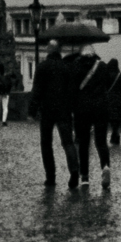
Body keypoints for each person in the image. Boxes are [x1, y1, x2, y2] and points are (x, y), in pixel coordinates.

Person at [31, 42, 82, 188]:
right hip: (63, 110)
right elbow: (72, 90)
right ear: (59, 51)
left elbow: (37, 91)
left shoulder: (42, 67)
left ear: (48, 50)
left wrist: (32, 111)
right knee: (68, 142)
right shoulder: (67, 67)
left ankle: (51, 176)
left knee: (46, 144)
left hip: (47, 110)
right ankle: (74, 172)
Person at [75, 48, 120, 187]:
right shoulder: (102, 66)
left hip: (83, 108)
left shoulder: (78, 66)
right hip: (101, 108)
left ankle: (84, 177)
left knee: (84, 143)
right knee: (101, 142)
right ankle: (105, 166)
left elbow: (74, 87)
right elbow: (107, 84)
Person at [105, 58, 121, 146]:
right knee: (117, 117)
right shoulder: (120, 75)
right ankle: (115, 134)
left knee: (109, 117)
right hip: (118, 99)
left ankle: (113, 134)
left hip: (108, 99)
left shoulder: (106, 75)